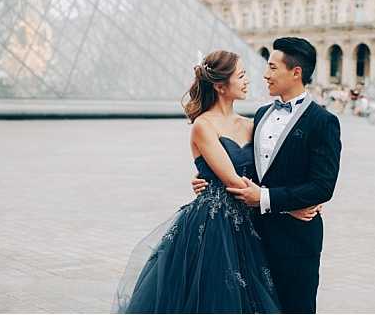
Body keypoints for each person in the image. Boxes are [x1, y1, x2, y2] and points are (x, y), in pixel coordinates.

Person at [112, 50, 317, 313]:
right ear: (221, 86)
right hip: (213, 227)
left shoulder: (253, 124)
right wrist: (289, 205)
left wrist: (306, 195)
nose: (248, 81)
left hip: (252, 221)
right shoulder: (203, 125)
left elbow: (273, 169)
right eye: (241, 76)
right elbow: (233, 180)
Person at [192, 37, 342, 313]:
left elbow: (323, 186)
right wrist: (208, 181)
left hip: (296, 237)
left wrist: (285, 204)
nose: (264, 74)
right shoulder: (260, 116)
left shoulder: (324, 122)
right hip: (253, 235)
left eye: (272, 67)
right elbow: (245, 169)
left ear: (295, 72)